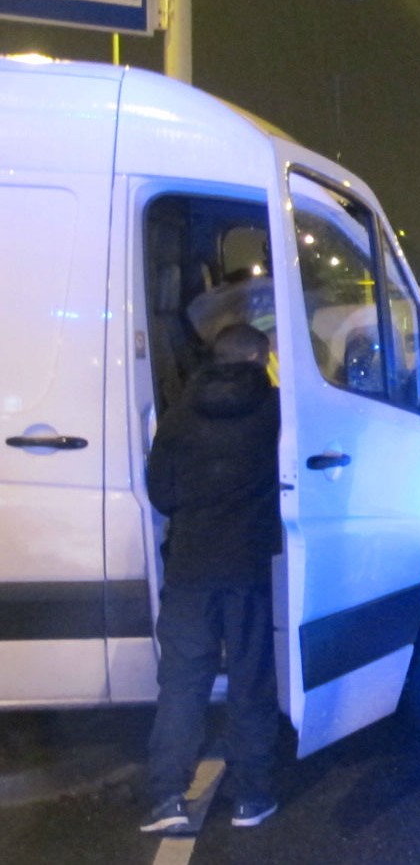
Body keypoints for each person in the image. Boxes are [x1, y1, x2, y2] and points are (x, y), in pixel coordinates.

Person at [140, 324, 282, 835]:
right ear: (257, 358)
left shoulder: (179, 413)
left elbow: (160, 493)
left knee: (181, 684)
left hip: (190, 568)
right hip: (247, 570)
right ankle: (252, 797)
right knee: (251, 684)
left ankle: (165, 799)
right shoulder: (274, 413)